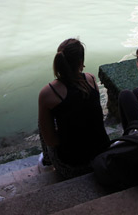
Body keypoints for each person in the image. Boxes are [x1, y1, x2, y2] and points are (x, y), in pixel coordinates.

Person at [38, 38, 110, 179]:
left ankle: (47, 160)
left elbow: (51, 141)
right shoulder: (91, 80)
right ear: (81, 62)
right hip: (102, 155)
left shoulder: (47, 93)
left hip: (72, 167)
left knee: (42, 123)